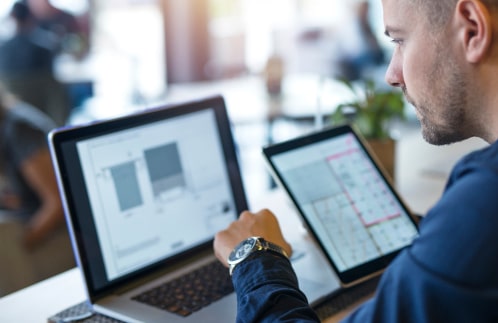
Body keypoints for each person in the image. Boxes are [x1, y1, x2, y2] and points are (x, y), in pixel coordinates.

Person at [213, 0, 498, 321]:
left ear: (472, 29)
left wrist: (253, 254)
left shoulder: (484, 202)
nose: (392, 75)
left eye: (400, 40)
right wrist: (433, 238)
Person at [0, 84, 74, 296]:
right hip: (28, 217)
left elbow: (57, 203)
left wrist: (22, 244)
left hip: (61, 233)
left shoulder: (19, 129)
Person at [0, 1, 70, 126]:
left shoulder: (2, 49)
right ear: (31, 17)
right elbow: (52, 85)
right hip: (45, 114)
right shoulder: (46, 47)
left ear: (12, 18)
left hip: (13, 114)